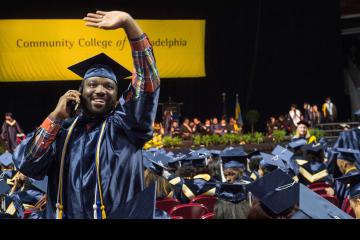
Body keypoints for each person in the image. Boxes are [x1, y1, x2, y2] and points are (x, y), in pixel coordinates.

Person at [13, 10, 160, 219]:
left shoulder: (126, 127)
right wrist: (56, 117)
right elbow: (29, 163)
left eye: (109, 86)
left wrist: (129, 24)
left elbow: (147, 82)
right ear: (80, 91)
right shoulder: (63, 131)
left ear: (118, 95)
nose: (100, 90)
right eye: (92, 84)